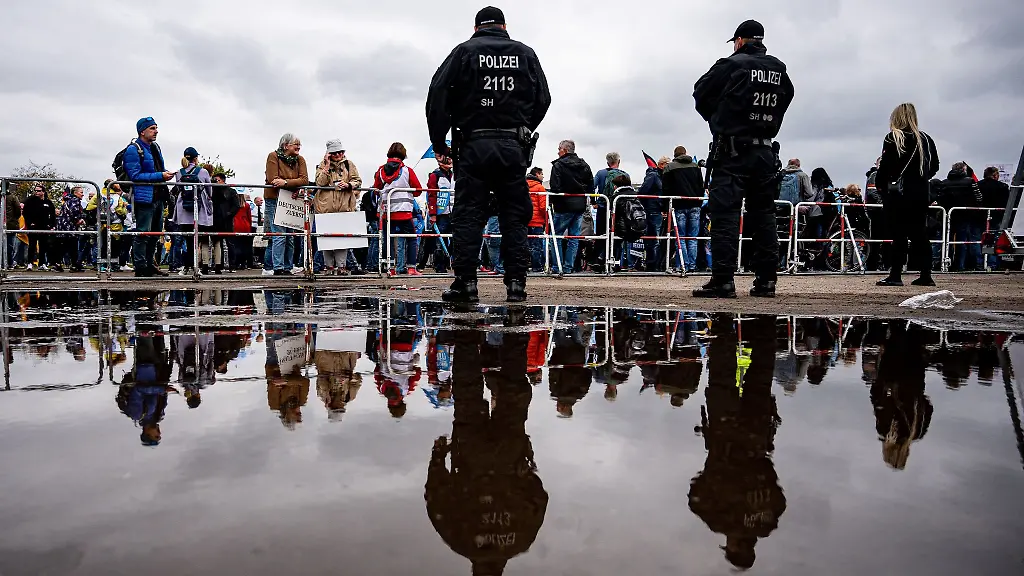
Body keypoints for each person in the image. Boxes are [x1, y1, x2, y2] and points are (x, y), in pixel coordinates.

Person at [426, 5, 551, 303]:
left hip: (473, 145)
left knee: (469, 214)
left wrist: (439, 143)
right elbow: (543, 98)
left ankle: (466, 283)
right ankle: (517, 284)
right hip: (512, 147)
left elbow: (437, 95)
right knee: (514, 215)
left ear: (476, 28)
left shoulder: (463, 52)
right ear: (504, 27)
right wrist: (523, 129)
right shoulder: (526, 54)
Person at [425, 319, 548, 576]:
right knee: (468, 392)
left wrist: (525, 474)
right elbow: (436, 497)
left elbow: (539, 499)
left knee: (512, 390)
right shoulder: (460, 541)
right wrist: (438, 458)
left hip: (509, 458)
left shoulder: (521, 540)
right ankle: (466, 330)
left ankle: (515, 327)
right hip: (471, 457)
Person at [693, 20, 794, 298]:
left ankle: (723, 280)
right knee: (764, 216)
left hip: (732, 151)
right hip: (765, 152)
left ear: (739, 41)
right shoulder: (778, 69)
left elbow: (700, 93)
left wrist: (721, 118)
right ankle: (767, 281)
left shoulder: (730, 65)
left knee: (725, 216)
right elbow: (787, 97)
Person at [689, 315, 785, 570]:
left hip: (755, 438)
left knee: (760, 376)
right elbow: (695, 494)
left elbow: (774, 484)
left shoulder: (768, 521)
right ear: (733, 547)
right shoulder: (721, 522)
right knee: (723, 376)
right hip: (726, 439)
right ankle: (723, 323)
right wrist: (716, 471)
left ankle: (765, 324)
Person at [874, 102, 939, 287]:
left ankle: (896, 275)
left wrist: (882, 187)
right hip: (920, 194)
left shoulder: (893, 137)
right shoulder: (925, 139)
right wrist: (920, 179)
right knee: (920, 234)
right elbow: (934, 166)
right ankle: (926, 275)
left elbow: (885, 167)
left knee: (899, 235)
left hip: (898, 194)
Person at [123, 117, 175, 278]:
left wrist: (165, 175)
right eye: (152, 128)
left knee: (155, 233)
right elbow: (135, 175)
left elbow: (157, 168)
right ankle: (140, 266)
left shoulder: (155, 147)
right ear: (142, 131)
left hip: (158, 196)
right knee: (143, 232)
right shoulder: (133, 149)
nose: (156, 131)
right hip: (144, 198)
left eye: (156, 128)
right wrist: (161, 175)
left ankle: (150, 264)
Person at [372, 142, 423, 277]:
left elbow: (376, 189)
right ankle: (411, 268)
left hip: (387, 212)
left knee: (387, 240)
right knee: (411, 238)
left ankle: (391, 267)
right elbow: (418, 190)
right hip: (404, 211)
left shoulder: (380, 171)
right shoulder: (407, 171)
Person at [314, 139, 363, 275]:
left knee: (342, 240)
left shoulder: (349, 164)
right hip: (326, 209)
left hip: (343, 208)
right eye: (334, 152)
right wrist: (327, 166)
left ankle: (342, 267)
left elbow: (358, 181)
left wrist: (348, 185)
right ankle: (329, 267)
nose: (338, 155)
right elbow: (320, 183)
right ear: (329, 154)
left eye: (340, 152)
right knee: (326, 240)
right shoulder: (322, 165)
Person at [264, 133, 309, 276]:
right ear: (285, 145)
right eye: (295, 144)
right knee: (279, 234)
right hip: (274, 199)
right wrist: (294, 183)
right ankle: (277, 267)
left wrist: (285, 182)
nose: (298, 147)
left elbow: (305, 180)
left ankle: (288, 266)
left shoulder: (300, 159)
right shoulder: (273, 156)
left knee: (290, 236)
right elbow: (272, 179)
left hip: (290, 200)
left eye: (299, 144)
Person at [548, 140, 594, 275]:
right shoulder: (584, 165)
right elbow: (590, 184)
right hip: (580, 205)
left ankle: (557, 266)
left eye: (559, 149)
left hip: (563, 205)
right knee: (574, 237)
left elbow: (555, 187)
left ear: (565, 150)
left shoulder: (558, 165)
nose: (558, 151)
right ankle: (568, 267)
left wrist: (554, 201)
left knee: (555, 236)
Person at [172, 148, 215, 276]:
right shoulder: (203, 172)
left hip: (183, 210)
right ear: (196, 158)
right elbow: (209, 191)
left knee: (187, 240)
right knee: (197, 240)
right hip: (198, 209)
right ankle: (196, 267)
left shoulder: (179, 173)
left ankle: (186, 266)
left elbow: (178, 189)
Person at [663, 146, 705, 273]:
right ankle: (692, 266)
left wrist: (666, 207)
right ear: (685, 153)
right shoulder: (695, 166)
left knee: (680, 237)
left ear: (674, 155)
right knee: (693, 237)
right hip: (695, 205)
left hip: (678, 205)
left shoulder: (669, 167)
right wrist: (699, 202)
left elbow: (666, 189)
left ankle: (683, 265)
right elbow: (701, 186)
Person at [936, 162, 984, 271]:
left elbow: (940, 199)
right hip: (965, 215)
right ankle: (959, 266)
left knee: (946, 241)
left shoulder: (944, 182)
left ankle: (945, 264)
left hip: (947, 215)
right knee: (961, 242)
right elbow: (979, 198)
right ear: (964, 170)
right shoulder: (970, 181)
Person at [421, 153, 455, 273]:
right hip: (441, 214)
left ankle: (449, 260)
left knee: (456, 239)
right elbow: (431, 195)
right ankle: (440, 265)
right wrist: (433, 214)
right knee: (440, 241)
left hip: (455, 212)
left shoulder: (454, 175)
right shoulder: (435, 175)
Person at [591, 152, 624, 270]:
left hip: (603, 207)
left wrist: (593, 202)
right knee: (617, 235)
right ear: (619, 162)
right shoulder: (624, 175)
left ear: (607, 162)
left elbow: (592, 187)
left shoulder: (600, 173)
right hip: (618, 210)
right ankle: (616, 262)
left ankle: (598, 262)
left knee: (601, 235)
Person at [639, 155, 669, 271]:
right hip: (652, 209)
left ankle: (655, 264)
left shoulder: (659, 176)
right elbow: (643, 191)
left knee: (656, 238)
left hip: (657, 209)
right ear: (661, 165)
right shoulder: (654, 175)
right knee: (654, 238)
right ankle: (652, 264)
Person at [979, 166, 1012, 269]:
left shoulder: (978, 185)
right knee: (995, 241)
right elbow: (1007, 203)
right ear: (995, 175)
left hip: (980, 217)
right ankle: (993, 264)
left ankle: (979, 263)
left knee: (979, 240)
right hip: (998, 216)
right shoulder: (1003, 187)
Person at [22, 185, 57, 271]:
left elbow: (52, 215)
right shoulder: (30, 201)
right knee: (32, 245)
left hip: (44, 227)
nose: (36, 192)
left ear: (43, 192)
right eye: (35, 190)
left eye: (39, 191)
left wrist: (52, 225)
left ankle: (42, 263)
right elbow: (25, 213)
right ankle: (30, 263)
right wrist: (29, 223)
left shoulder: (48, 202)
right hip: (33, 227)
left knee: (43, 246)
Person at [209, 173, 239, 274]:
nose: (215, 182)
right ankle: (219, 265)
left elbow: (236, 205)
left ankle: (232, 265)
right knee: (218, 244)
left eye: (217, 180)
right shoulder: (213, 190)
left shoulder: (231, 191)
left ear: (222, 180)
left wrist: (229, 214)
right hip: (216, 221)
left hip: (227, 221)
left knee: (230, 244)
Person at [56, 186, 87, 272]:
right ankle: (74, 265)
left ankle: (59, 263)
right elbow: (74, 212)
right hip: (70, 226)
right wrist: (80, 220)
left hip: (62, 226)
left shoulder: (67, 201)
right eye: (81, 192)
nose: (82, 194)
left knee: (65, 246)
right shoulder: (75, 200)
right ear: (75, 193)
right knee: (72, 246)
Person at [526, 166, 547, 272]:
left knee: (525, 245)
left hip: (525, 221)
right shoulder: (540, 188)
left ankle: (524, 266)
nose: (543, 177)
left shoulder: (523, 186)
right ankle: (537, 267)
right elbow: (543, 207)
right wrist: (546, 219)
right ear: (537, 174)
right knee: (536, 246)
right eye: (542, 174)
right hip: (537, 221)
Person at [4, 184, 22, 269]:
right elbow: (18, 209)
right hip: (10, 224)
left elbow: (18, 210)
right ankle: (9, 263)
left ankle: (8, 263)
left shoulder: (12, 198)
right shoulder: (13, 197)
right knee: (9, 244)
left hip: (9, 224)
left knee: (9, 244)